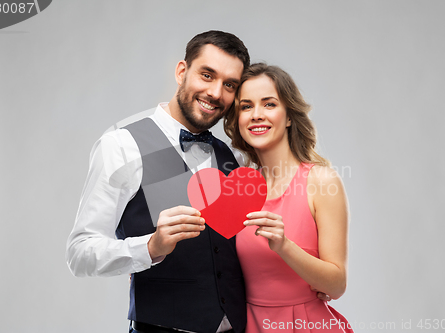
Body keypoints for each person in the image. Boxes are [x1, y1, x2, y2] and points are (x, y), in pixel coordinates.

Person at [66, 31, 251, 333]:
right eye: (207, 75)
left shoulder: (233, 157)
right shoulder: (121, 146)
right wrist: (150, 247)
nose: (216, 93)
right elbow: (79, 253)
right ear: (182, 72)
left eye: (229, 84)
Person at [224, 63, 354, 332]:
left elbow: (337, 285)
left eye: (269, 104)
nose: (256, 115)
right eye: (246, 107)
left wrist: (285, 246)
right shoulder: (237, 187)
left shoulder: (321, 181)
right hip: (247, 324)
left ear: (290, 116)